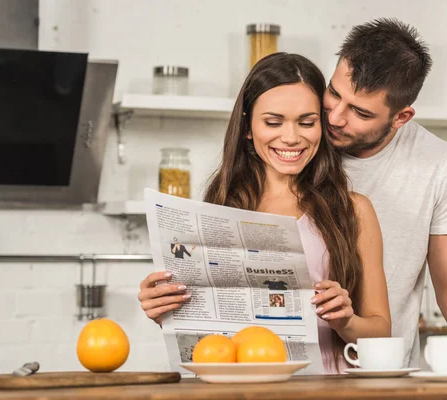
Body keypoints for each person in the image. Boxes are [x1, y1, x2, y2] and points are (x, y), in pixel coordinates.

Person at [138, 52, 391, 374]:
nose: (291, 137)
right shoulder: (216, 210)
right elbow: (209, 342)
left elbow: (381, 332)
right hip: (243, 392)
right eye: (273, 122)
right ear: (247, 127)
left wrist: (346, 320)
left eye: (307, 122)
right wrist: (166, 313)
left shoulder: (353, 210)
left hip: (327, 390)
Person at [322, 18, 447, 370]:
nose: (334, 117)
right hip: (292, 372)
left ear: (401, 117)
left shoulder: (438, 163)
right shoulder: (297, 140)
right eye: (334, 92)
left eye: (360, 112)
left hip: (384, 375)